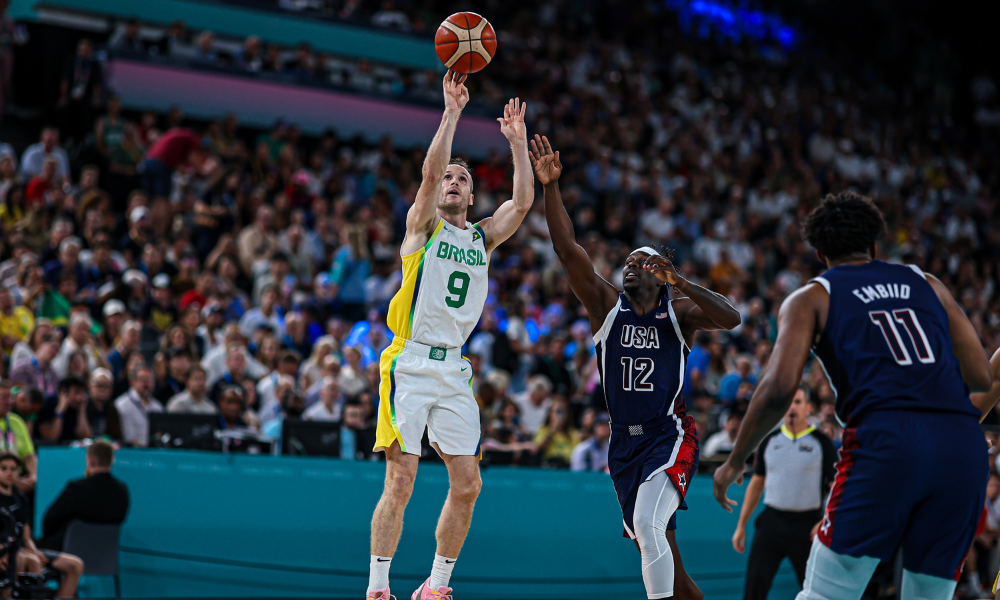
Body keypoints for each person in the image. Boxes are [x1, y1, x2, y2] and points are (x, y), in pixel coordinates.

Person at [713, 192, 996, 600]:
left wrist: (735, 461)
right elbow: (981, 375)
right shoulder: (927, 282)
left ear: (819, 252)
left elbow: (777, 389)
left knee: (826, 594)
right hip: (963, 447)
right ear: (875, 245)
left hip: (887, 441)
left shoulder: (812, 296)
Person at [532, 134, 740, 600]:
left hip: (670, 434)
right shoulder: (606, 304)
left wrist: (681, 280)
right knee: (662, 548)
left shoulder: (679, 311)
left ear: (662, 273)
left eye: (642, 262)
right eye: (627, 262)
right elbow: (568, 249)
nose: (630, 266)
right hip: (623, 444)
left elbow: (732, 317)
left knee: (649, 527)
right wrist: (550, 187)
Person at [366, 77, 533, 600]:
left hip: (454, 368)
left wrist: (517, 144)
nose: (453, 182)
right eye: (449, 178)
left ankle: (436, 586)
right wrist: (451, 113)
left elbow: (522, 203)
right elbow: (430, 170)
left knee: (469, 484)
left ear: (472, 193)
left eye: (463, 178)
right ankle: (377, 588)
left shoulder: (481, 236)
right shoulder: (422, 228)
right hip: (410, 363)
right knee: (402, 479)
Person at [731, 387, 837, 599]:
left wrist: (826, 519)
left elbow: (835, 485)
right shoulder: (770, 441)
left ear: (808, 408)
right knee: (754, 588)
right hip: (772, 522)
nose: (792, 408)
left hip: (807, 525)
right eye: (788, 402)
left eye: (798, 402)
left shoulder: (821, 443)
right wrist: (741, 524)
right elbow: (756, 483)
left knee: (815, 590)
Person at [0, 453, 83, 598]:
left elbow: (26, 535)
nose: (9, 473)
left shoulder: (22, 499)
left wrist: (35, 552)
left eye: (13, 469)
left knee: (75, 565)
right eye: (4, 468)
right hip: (7, 550)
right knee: (25, 560)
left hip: (22, 548)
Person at [38, 441, 129, 551]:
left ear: (90, 461)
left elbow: (49, 521)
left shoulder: (77, 488)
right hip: (105, 556)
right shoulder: (121, 491)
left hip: (68, 553)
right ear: (111, 461)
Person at [114, 364, 164, 447]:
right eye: (142, 380)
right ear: (132, 382)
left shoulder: (158, 407)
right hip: (129, 452)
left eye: (150, 380)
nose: (146, 384)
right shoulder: (121, 405)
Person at [0, 382, 35, 493]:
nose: (9, 402)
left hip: (16, 484)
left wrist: (34, 477)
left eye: (10, 397)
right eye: (4, 398)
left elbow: (29, 456)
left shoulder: (17, 421)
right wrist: (14, 481)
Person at [36, 376, 93, 442]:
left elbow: (86, 437)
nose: (80, 398)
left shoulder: (81, 405)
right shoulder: (47, 404)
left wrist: (82, 411)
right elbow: (51, 438)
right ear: (64, 391)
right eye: (76, 392)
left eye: (82, 393)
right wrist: (60, 412)